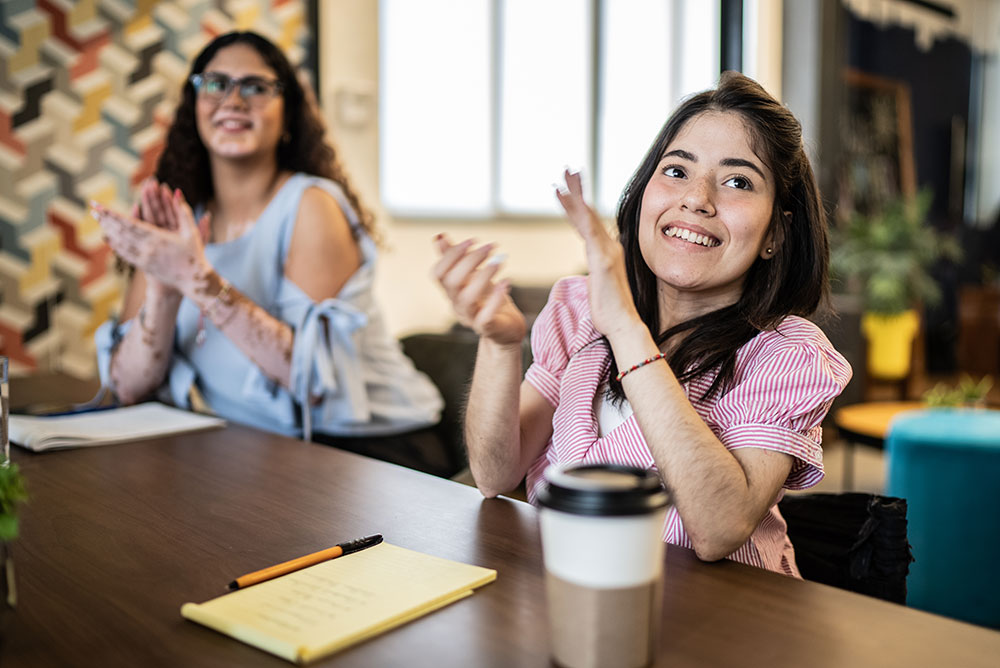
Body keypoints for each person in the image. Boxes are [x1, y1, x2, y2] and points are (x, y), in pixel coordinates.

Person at [433, 72, 852, 576]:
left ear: (776, 234)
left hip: (723, 625)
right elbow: (495, 474)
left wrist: (626, 328)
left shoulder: (788, 356)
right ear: (643, 192)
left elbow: (719, 529)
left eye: (738, 181)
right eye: (676, 170)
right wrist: (499, 345)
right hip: (569, 595)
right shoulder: (577, 309)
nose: (696, 198)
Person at [91, 31, 443, 464]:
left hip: (372, 450)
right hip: (260, 451)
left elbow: (312, 381)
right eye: (216, 84)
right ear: (194, 107)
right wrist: (164, 287)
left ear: (288, 114)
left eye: (255, 87)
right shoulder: (179, 220)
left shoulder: (313, 205)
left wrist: (197, 279)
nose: (234, 100)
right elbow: (128, 386)